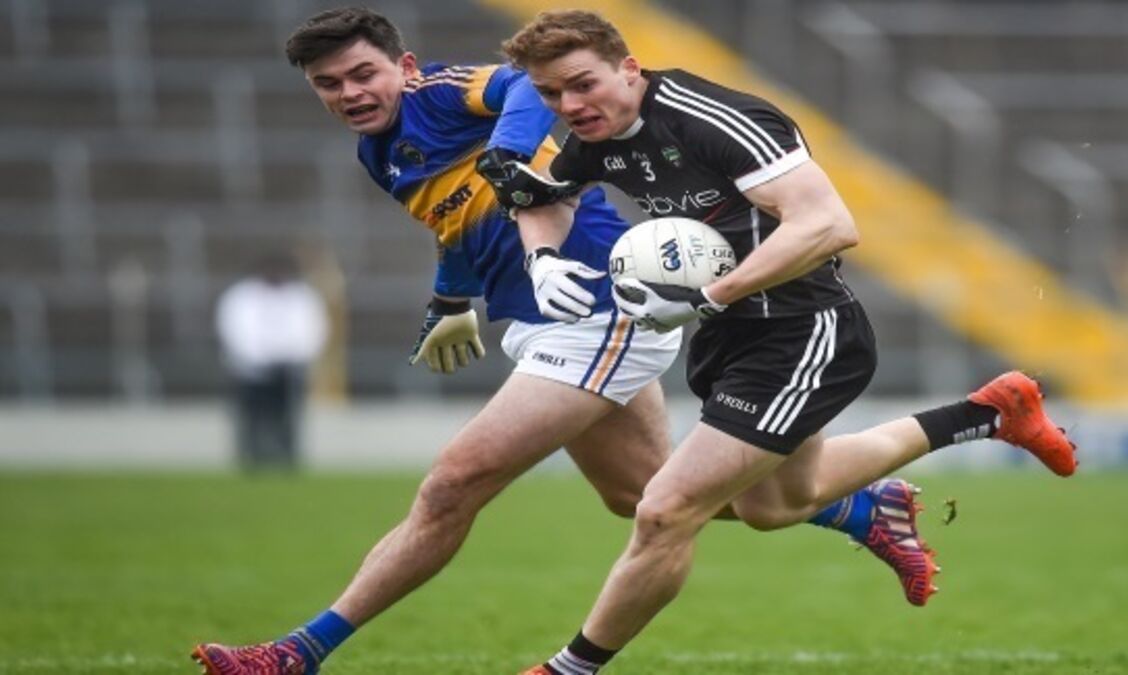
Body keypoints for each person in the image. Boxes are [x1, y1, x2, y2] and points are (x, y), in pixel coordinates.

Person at [191, 8, 931, 675]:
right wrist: (451, 296)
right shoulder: (378, 151)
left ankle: (296, 654)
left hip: (598, 312)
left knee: (452, 485)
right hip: (545, 315)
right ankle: (859, 509)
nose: (350, 92)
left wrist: (511, 153)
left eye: (363, 73)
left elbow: (520, 85)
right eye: (329, 84)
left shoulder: (442, 94)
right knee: (642, 497)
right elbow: (460, 219)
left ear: (405, 67)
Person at [491, 10, 1080, 674]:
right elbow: (542, 195)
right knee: (774, 506)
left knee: (664, 509)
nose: (569, 105)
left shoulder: (713, 119)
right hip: (728, 335)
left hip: (803, 330)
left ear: (629, 68)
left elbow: (828, 224)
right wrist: (542, 259)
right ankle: (987, 413)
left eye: (582, 84)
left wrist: (711, 295)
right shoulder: (596, 133)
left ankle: (568, 668)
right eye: (550, 94)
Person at [215, 253, 329, 471]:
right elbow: (236, 332)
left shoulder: (301, 297)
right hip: (251, 371)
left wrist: (292, 357)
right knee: (252, 416)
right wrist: (260, 358)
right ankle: (251, 457)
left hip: (289, 369)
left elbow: (313, 332)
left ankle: (287, 457)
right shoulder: (241, 296)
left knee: (288, 417)